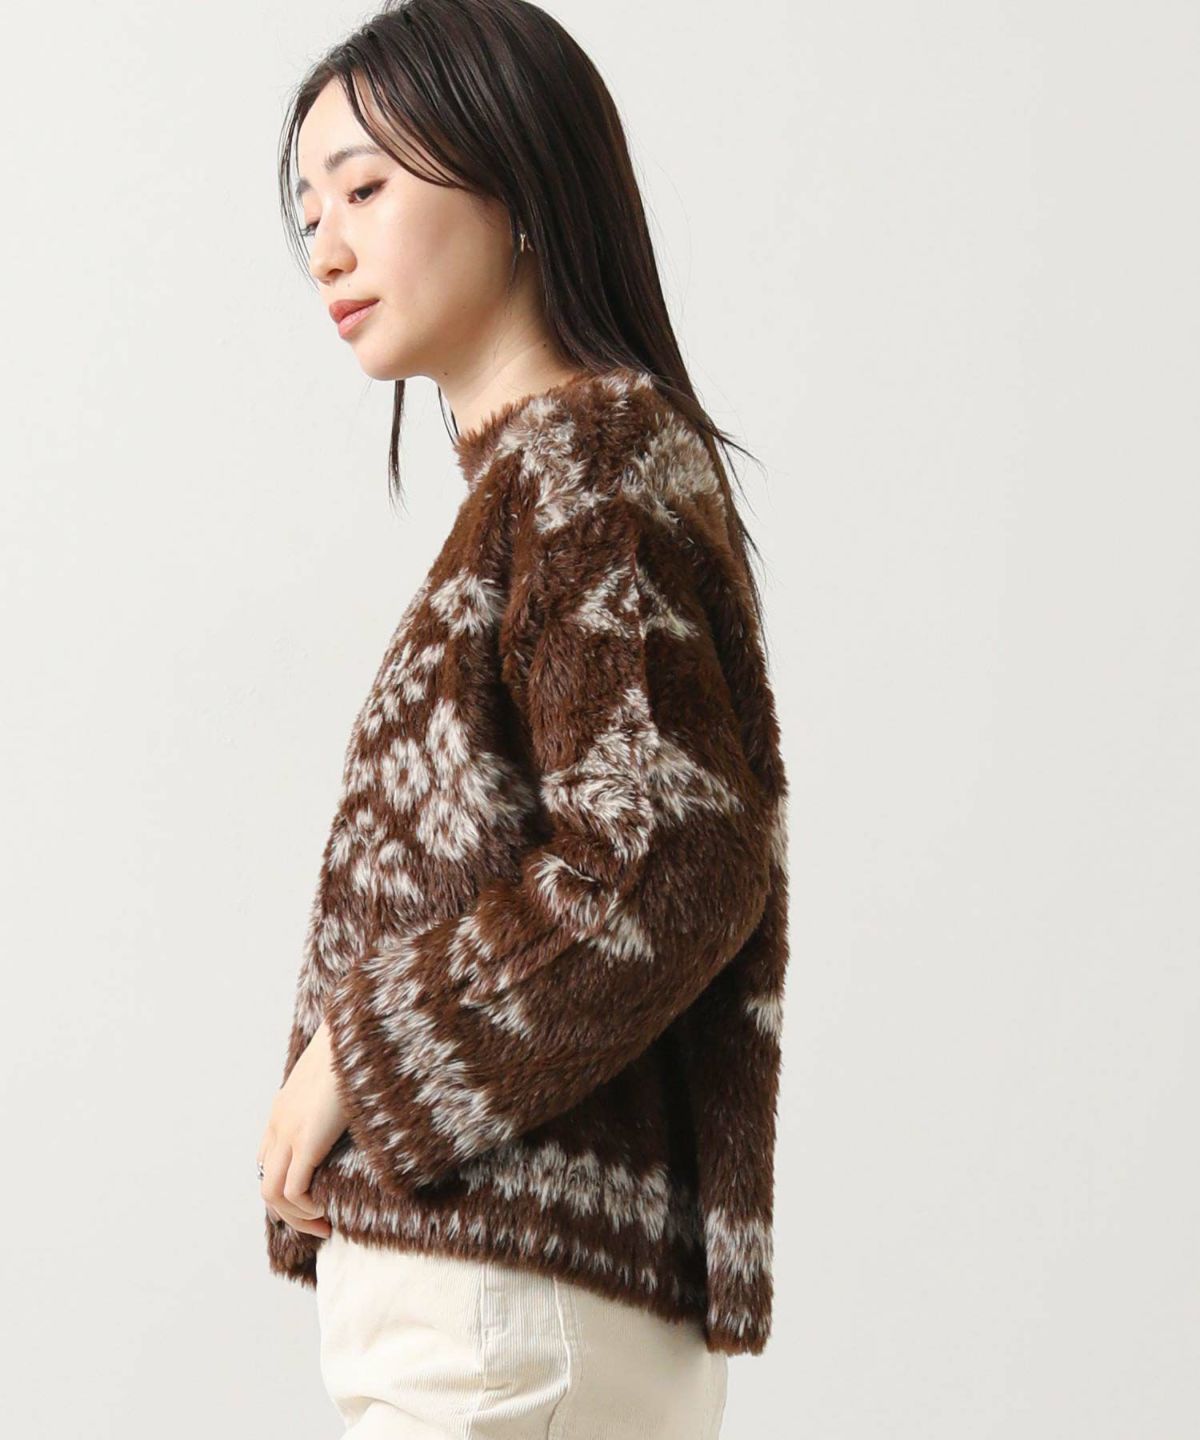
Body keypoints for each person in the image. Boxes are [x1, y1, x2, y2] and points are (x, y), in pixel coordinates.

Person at [256, 2, 790, 1434]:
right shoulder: (551, 481)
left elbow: (670, 859)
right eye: (309, 211)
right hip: (506, 1299)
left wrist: (360, 1055)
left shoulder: (584, 469)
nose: (327, 246)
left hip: (509, 1308)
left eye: (366, 187)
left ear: (521, 181)